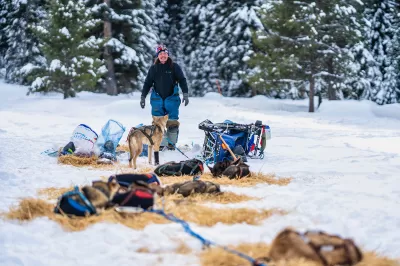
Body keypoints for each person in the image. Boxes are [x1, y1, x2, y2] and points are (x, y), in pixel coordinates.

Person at [140, 44, 189, 150]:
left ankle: (171, 144)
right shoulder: (154, 69)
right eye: (161, 54)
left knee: (172, 122)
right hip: (157, 100)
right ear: (158, 56)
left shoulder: (174, 67)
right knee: (157, 123)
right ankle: (161, 144)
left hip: (172, 99)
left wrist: (185, 93)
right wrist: (143, 96)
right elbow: (147, 83)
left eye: (165, 53)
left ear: (168, 55)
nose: (163, 56)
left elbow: (182, 80)